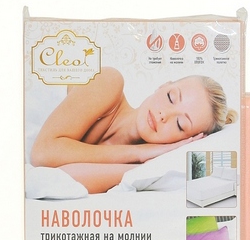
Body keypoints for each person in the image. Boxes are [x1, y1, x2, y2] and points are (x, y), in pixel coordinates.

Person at [30, 67, 237, 193]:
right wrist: (137, 152)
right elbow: (42, 155)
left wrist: (143, 165)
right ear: (163, 85)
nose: (163, 115)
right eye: (170, 97)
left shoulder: (136, 168)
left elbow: (58, 178)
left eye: (180, 124)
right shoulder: (109, 82)